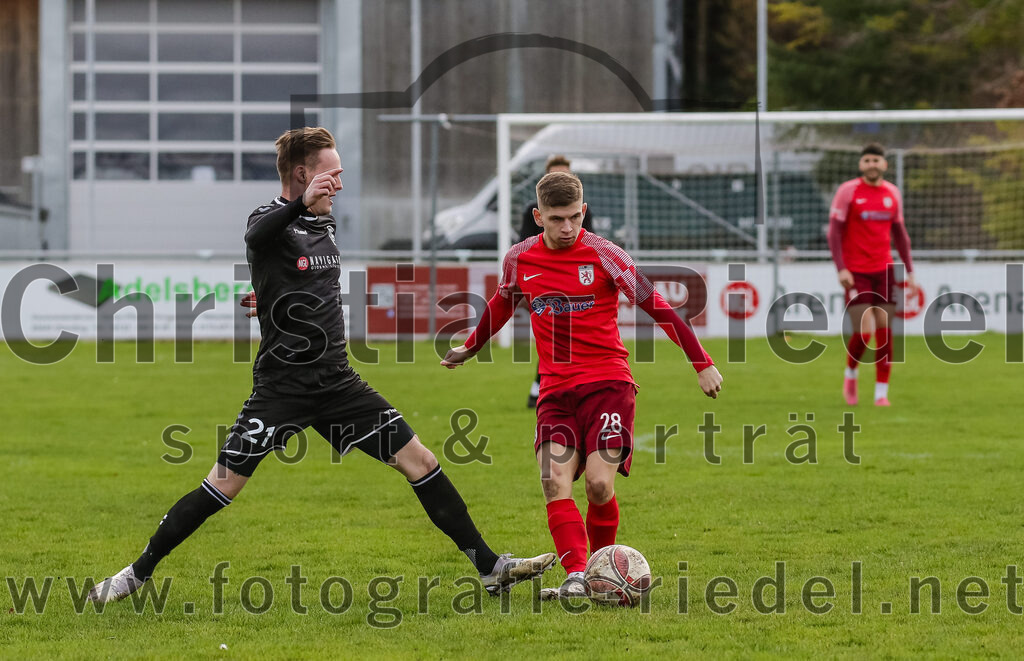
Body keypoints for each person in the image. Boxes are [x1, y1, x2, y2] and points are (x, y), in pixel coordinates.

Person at [87, 127, 554, 604]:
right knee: (222, 486)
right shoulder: (270, 216)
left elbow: (298, 281)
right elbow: (257, 237)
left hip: (338, 383)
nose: (340, 186)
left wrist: (269, 296)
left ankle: (489, 567)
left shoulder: (324, 224)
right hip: (282, 388)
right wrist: (297, 209)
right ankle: (135, 575)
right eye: (332, 176)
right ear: (302, 175)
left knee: (422, 462)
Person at [441, 172, 723, 600]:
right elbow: (502, 303)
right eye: (557, 219)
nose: (568, 227)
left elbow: (658, 305)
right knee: (553, 481)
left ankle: (603, 571)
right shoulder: (519, 258)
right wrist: (471, 346)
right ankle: (577, 574)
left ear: (584, 211)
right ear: (538, 216)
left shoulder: (606, 254)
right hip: (555, 391)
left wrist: (701, 362)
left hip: (608, 384)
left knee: (597, 485)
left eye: (575, 217)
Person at [827, 142, 916, 407]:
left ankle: (881, 394)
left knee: (885, 333)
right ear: (860, 165)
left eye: (876, 160)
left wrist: (909, 270)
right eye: (867, 161)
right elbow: (834, 232)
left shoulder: (892, 193)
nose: (872, 165)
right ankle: (851, 373)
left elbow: (900, 235)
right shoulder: (848, 192)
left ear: (884, 164)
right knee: (864, 333)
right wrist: (841, 267)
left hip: (885, 270)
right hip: (856, 272)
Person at [519, 155, 594, 408]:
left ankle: (546, 388)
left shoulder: (585, 213)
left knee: (571, 340)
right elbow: (522, 247)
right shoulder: (532, 213)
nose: (567, 227)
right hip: (542, 282)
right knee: (552, 339)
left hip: (576, 282)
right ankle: (542, 387)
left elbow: (588, 241)